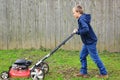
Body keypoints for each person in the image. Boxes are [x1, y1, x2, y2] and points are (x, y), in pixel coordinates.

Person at [72, 5, 108, 78]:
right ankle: (83, 72)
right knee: (82, 56)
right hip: (87, 42)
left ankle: (104, 73)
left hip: (90, 42)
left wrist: (77, 32)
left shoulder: (82, 19)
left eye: (74, 13)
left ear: (78, 12)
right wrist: (78, 30)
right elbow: (84, 28)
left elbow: (86, 29)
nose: (73, 14)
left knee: (95, 58)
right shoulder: (82, 18)